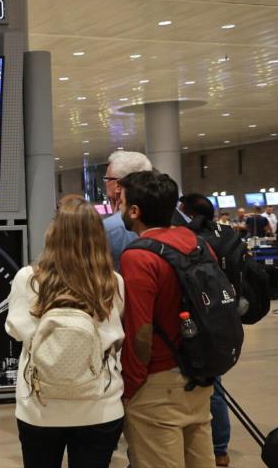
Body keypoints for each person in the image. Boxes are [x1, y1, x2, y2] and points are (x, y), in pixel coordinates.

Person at [6, 196, 125, 468]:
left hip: (39, 406)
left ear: (54, 232)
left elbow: (14, 330)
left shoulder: (29, 278)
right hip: (100, 405)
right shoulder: (112, 281)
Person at [118, 171, 216, 468]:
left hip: (157, 383)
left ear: (135, 211)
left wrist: (130, 386)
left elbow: (141, 330)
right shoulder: (195, 242)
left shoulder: (138, 256)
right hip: (198, 373)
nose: (118, 209)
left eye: (120, 203)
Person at [174, 192, 234, 466]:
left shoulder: (192, 238)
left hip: (197, 322)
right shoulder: (221, 235)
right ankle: (220, 449)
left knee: (205, 388)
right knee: (215, 387)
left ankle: (210, 447)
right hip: (221, 318)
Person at [102, 151, 153, 270]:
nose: (105, 183)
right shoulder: (174, 216)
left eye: (107, 179)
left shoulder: (108, 228)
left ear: (119, 184)